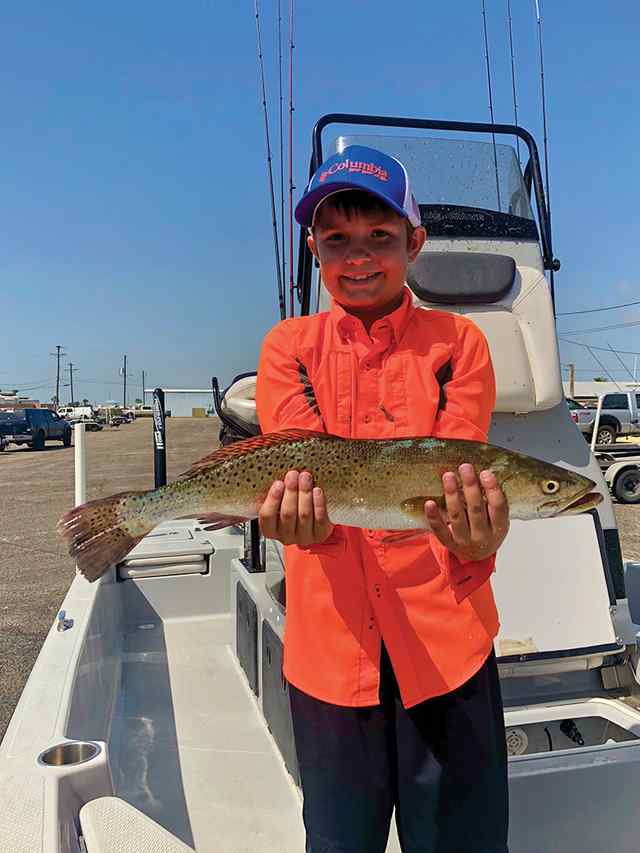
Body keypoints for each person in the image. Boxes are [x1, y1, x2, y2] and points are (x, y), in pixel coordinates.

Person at [255, 144, 510, 853]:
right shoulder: (289, 347)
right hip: (330, 658)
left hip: (447, 648)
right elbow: (297, 461)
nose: (358, 257)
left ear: (414, 242)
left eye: (379, 237)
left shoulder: (461, 343)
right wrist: (295, 524)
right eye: (336, 239)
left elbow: (457, 473)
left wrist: (478, 536)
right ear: (312, 248)